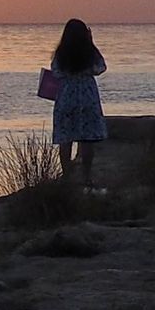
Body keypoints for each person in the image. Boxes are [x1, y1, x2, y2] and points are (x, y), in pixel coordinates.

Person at [49, 18, 108, 189]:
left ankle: (67, 177)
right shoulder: (89, 53)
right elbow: (100, 68)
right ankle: (86, 177)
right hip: (87, 97)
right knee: (87, 139)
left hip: (67, 97)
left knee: (65, 139)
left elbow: (56, 71)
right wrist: (91, 44)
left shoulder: (61, 54)